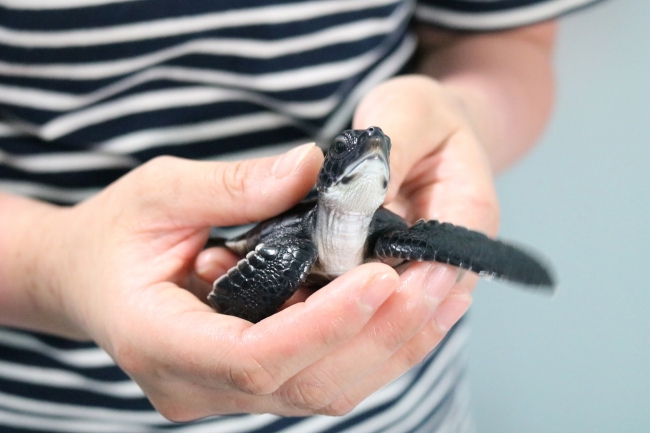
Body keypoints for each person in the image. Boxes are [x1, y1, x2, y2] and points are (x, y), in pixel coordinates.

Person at [0, 0, 598, 431]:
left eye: (376, 155)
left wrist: (459, 115)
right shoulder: (292, 246)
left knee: (430, 245)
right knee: (283, 262)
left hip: (397, 408)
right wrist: (55, 265)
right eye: (350, 155)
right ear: (330, 173)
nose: (366, 155)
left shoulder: (389, 235)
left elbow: (507, 40)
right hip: (54, 398)